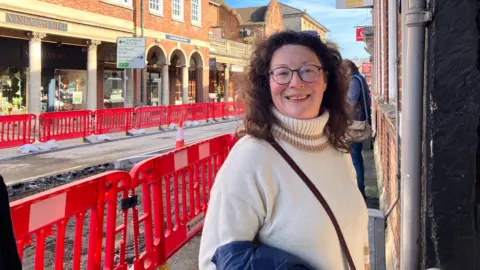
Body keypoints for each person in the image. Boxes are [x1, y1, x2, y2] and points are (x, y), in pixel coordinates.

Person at [199, 31, 369, 270]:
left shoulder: (336, 148)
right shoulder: (251, 158)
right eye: (282, 73)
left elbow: (355, 242)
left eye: (308, 70)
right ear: (267, 84)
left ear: (326, 80)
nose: (296, 82)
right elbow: (215, 261)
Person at [343, 59, 372, 199]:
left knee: (354, 157)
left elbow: (350, 101)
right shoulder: (360, 78)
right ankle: (360, 191)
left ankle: (359, 192)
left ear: (347, 69)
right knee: (356, 157)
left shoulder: (354, 80)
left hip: (354, 125)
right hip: (357, 123)